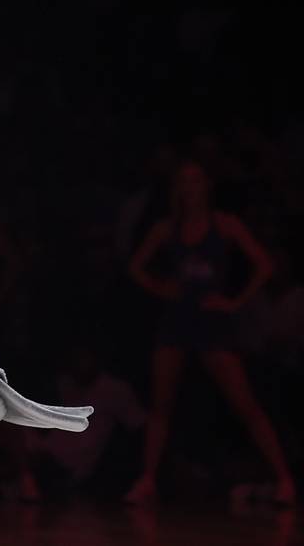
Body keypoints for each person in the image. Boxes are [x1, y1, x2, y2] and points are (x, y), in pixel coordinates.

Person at [124, 160, 296, 505]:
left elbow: (264, 265)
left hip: (212, 322)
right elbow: (136, 267)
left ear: (206, 186)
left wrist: (234, 302)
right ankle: (147, 480)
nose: (191, 187)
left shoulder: (225, 225)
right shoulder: (166, 227)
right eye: (184, 181)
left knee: (244, 402)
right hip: (176, 320)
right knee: (162, 404)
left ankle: (285, 479)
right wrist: (162, 288)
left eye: (196, 180)